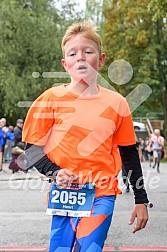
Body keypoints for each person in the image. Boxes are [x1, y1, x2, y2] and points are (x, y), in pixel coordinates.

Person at [22, 21, 151, 252]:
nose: (80, 57)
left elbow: (128, 152)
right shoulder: (50, 99)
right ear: (65, 64)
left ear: (100, 60)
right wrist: (55, 172)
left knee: (89, 249)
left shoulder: (117, 103)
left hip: (102, 191)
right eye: (73, 53)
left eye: (87, 51)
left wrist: (140, 199)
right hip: (65, 193)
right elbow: (31, 148)